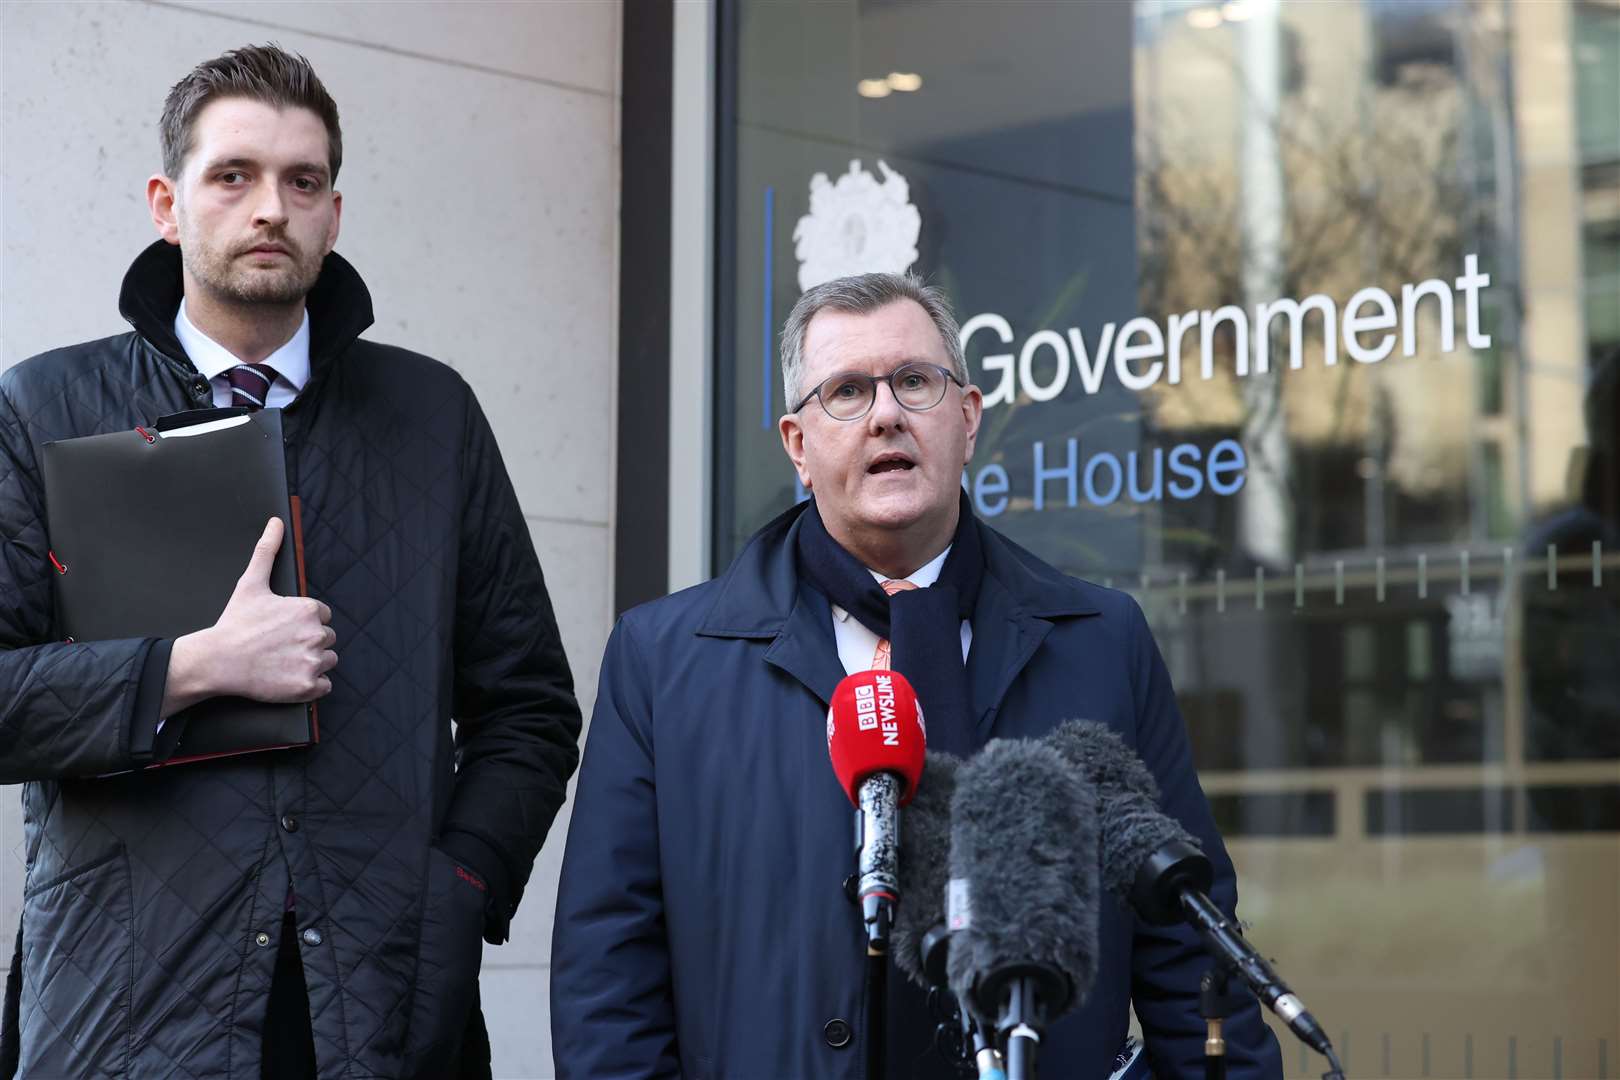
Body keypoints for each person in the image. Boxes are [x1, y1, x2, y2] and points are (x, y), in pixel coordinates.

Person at [0, 45, 581, 1080]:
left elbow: (530, 707)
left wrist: (462, 886)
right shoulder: (40, 410)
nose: (270, 207)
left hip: (382, 1011)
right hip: (129, 1012)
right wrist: (192, 668)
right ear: (166, 204)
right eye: (234, 175)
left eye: (301, 181)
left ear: (334, 213)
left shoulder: (431, 415)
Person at [551, 272, 1284, 1078]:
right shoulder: (663, 660)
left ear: (967, 420)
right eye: (847, 391)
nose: (887, 413)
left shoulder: (1101, 641)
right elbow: (608, 977)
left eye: (913, 381)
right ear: (798, 445)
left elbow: (1190, 947)